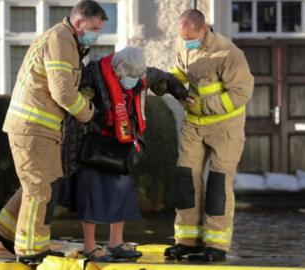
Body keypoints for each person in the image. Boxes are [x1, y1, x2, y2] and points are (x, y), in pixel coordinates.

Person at [0, 0, 107, 265]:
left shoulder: (67, 40)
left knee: (42, 182)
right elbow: (62, 92)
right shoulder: (61, 40)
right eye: (94, 28)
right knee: (39, 190)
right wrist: (89, 112)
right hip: (33, 127)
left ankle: (5, 229)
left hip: (42, 127)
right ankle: (31, 251)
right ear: (79, 23)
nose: (96, 34)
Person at [61, 47, 190, 262]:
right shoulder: (94, 72)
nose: (133, 81)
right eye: (129, 77)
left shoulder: (140, 74)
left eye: (136, 77)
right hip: (94, 142)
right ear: (118, 70)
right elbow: (77, 102)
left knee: (121, 192)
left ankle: (116, 243)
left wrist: (183, 95)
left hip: (122, 142)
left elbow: (165, 79)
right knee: (91, 194)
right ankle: (90, 247)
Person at [164, 9, 254, 261]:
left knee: (218, 184)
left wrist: (204, 106)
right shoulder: (184, 45)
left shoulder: (229, 54)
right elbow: (183, 70)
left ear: (203, 30)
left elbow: (240, 93)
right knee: (186, 181)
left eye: (190, 37)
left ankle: (216, 245)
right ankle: (186, 241)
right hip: (194, 125)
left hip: (225, 128)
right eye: (183, 37)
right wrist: (168, 80)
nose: (186, 42)